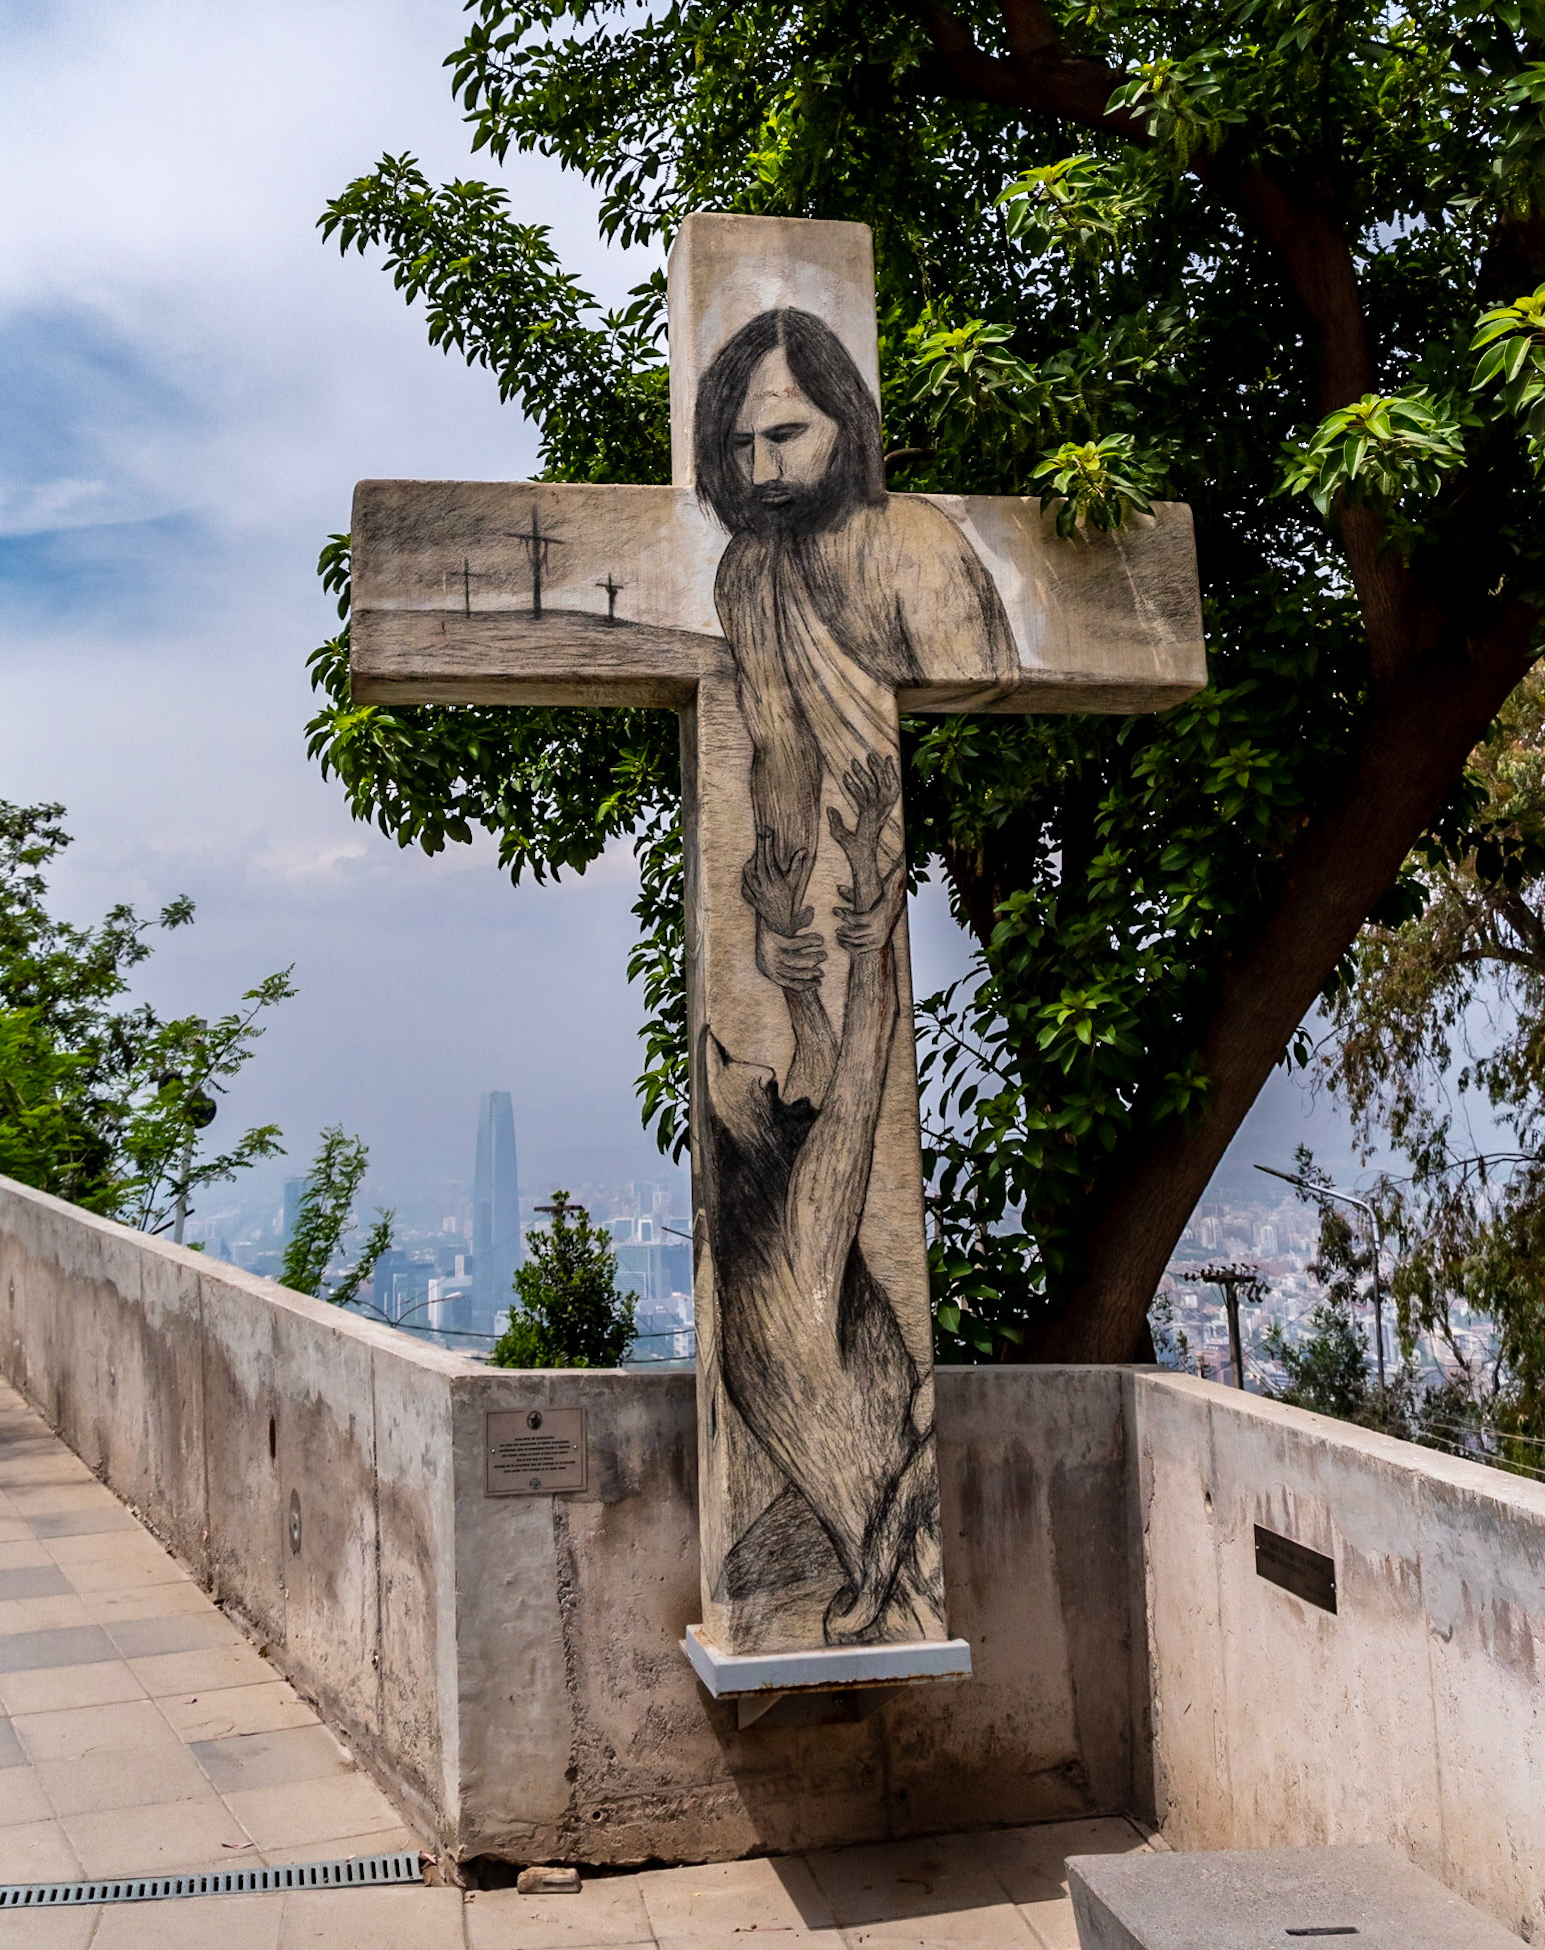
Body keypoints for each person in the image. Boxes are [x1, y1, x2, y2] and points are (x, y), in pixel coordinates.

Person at [690, 308, 1013, 1645]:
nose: (763, 466)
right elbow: (777, 752)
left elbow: (977, 679)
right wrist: (781, 911)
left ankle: (887, 1571)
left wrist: (871, 901)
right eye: (741, 444)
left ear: (846, 423)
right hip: (827, 907)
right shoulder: (745, 580)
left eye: (789, 432)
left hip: (874, 883)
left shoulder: (913, 546)